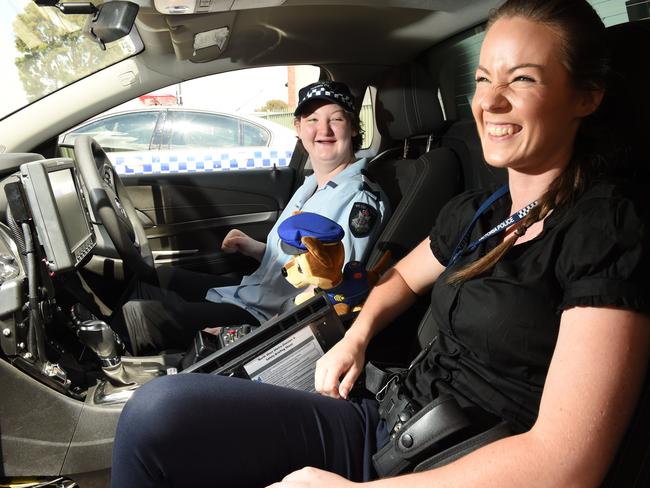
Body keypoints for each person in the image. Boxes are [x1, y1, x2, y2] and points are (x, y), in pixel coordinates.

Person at [110, 1, 650, 486]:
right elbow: (402, 279)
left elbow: (564, 463)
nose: (491, 102)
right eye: (483, 79)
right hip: (392, 421)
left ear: (586, 96)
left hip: (461, 463)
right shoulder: (477, 211)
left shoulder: (605, 230)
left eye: (523, 79)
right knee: (158, 411)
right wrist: (358, 337)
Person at [117, 81, 390, 355]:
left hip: (266, 319)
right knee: (155, 279)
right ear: (298, 127)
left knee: (143, 319)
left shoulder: (359, 201)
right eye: (313, 119)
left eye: (336, 119)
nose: (324, 129)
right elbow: (303, 258)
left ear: (353, 127)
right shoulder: (312, 185)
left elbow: (337, 289)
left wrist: (260, 334)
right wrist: (255, 248)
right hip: (252, 292)